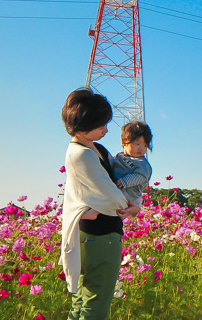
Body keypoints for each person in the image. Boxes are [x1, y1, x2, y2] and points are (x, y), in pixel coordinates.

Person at [59, 88, 140, 320]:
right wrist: (132, 207)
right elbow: (108, 192)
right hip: (101, 236)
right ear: (85, 125)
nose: (106, 130)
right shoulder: (81, 153)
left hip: (92, 233)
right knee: (96, 302)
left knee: (81, 302)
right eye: (101, 125)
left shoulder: (96, 149)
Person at [111, 121, 153, 205]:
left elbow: (141, 176)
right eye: (137, 144)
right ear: (124, 141)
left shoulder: (142, 163)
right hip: (115, 190)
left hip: (129, 196)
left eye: (145, 145)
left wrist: (126, 181)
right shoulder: (120, 156)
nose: (141, 148)